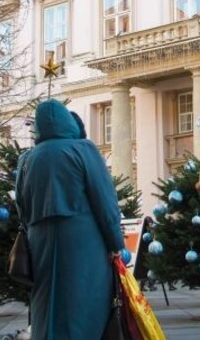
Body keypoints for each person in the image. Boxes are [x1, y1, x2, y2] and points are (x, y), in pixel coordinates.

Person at [15, 100, 124, 340]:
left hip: (40, 240)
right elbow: (105, 201)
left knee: (46, 302)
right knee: (85, 301)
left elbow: (20, 206)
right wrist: (115, 243)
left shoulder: (26, 160)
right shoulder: (83, 149)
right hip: (84, 241)